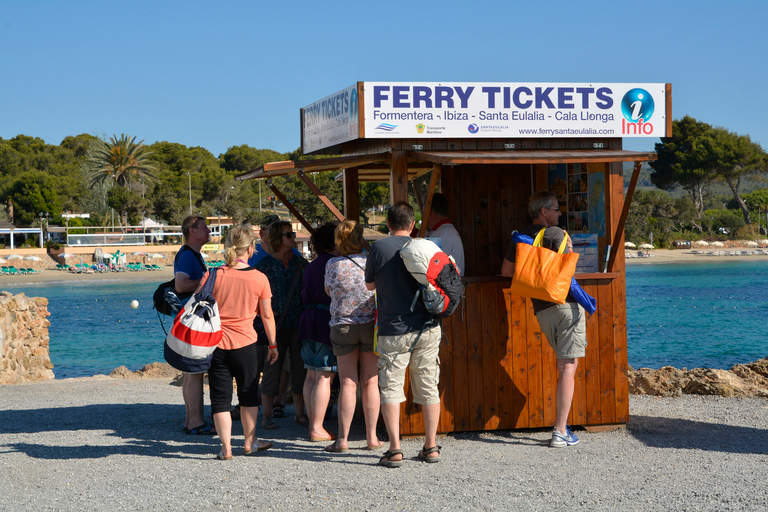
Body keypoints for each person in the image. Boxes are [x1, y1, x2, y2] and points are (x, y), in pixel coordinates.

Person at [500, 191, 585, 448]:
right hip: (565, 305)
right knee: (568, 367)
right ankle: (560, 431)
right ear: (544, 212)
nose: (560, 214)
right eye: (556, 209)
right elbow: (569, 268)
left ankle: (561, 428)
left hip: (542, 309)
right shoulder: (558, 234)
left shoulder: (520, 237)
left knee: (563, 366)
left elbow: (506, 271)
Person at [365, 202, 443, 467]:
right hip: (428, 327)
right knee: (429, 386)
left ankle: (395, 449)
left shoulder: (378, 248)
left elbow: (369, 285)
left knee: (391, 388)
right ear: (412, 225)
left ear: (388, 224)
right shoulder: (426, 246)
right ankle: (431, 447)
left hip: (393, 329)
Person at [198, 225, 277, 460]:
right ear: (251, 249)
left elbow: (197, 306)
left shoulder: (212, 275)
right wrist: (273, 345)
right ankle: (250, 442)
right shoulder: (259, 278)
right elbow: (267, 316)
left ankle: (225, 448)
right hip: (246, 344)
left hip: (215, 343)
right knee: (249, 394)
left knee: (220, 397)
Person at [324, 220, 383, 453]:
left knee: (348, 382)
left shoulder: (332, 264)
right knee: (371, 382)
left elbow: (328, 291)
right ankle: (372, 438)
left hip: (342, 325)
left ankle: (342, 440)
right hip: (370, 325)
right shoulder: (371, 262)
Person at [256, 220, 308, 430]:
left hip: (297, 324)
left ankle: (299, 413)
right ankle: (266, 415)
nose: (293, 238)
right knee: (271, 371)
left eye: (293, 234)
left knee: (299, 370)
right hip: (274, 325)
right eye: (289, 235)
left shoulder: (301, 264)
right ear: (278, 238)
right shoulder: (264, 266)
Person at [298, 222, 339, 442]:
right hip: (324, 320)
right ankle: (317, 427)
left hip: (306, 320)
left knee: (311, 374)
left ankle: (313, 423)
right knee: (325, 375)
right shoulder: (334, 264)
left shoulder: (311, 265)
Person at [174, 215, 213, 436]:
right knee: (195, 371)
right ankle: (196, 421)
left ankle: (191, 420)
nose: (208, 231)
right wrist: (205, 282)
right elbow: (181, 285)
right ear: (193, 231)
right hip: (192, 319)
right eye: (204, 227)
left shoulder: (192, 254)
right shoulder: (189, 256)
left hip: (188, 318)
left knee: (190, 372)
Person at [426, 193, 465, 276]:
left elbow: (434, 269)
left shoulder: (442, 235)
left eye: (423, 212)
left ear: (429, 212)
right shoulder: (444, 231)